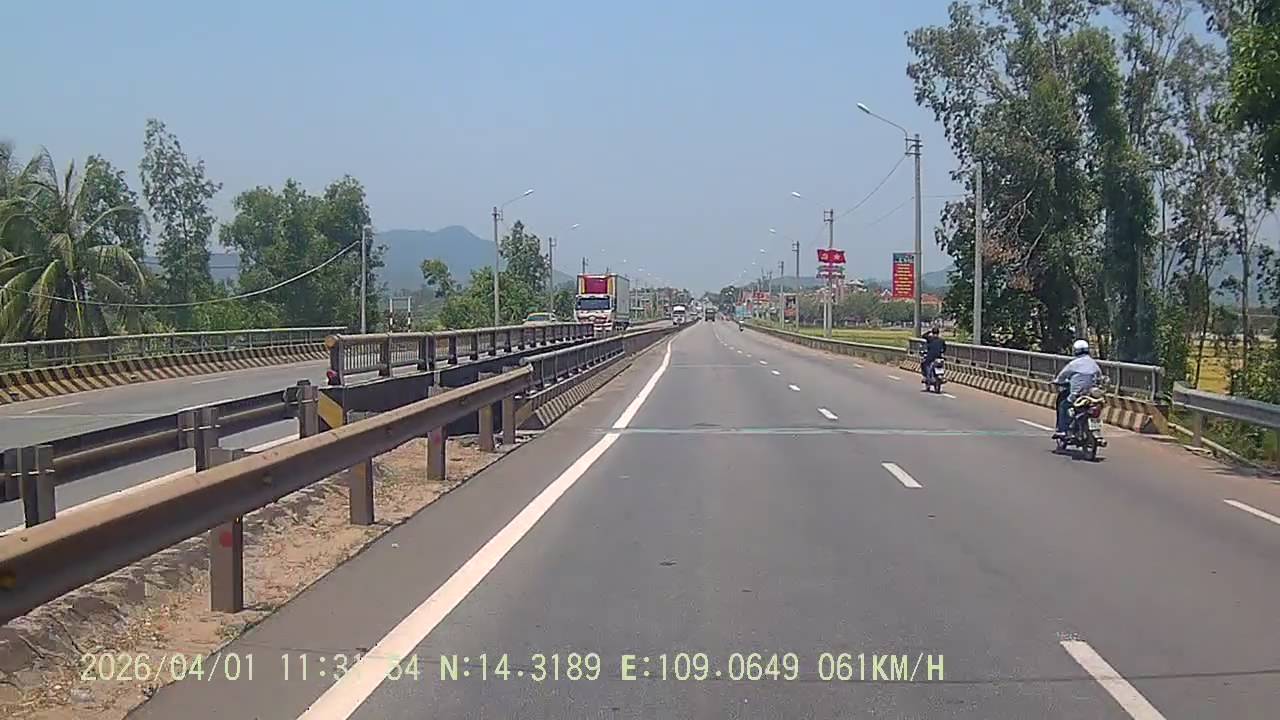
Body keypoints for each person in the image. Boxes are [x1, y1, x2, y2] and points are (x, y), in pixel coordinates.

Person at [1053, 339, 1102, 438]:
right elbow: (1099, 377)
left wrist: (1057, 381)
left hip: (1077, 396)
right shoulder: (1093, 363)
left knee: (1063, 405)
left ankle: (1063, 430)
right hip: (1091, 396)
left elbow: (1062, 376)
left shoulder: (1073, 364)